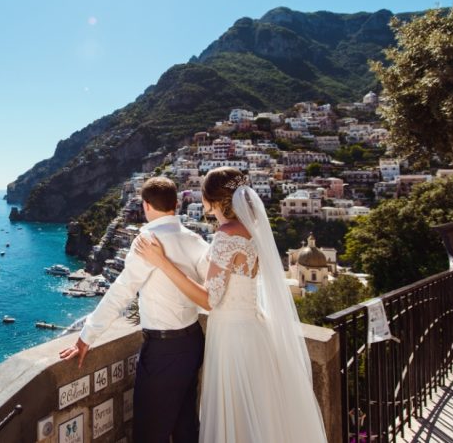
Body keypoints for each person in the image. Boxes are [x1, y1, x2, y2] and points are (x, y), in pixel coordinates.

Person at [133, 167, 326, 443]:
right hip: (255, 330)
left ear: (212, 199)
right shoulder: (252, 230)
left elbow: (209, 300)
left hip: (232, 336)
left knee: (235, 415)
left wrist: (161, 262)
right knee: (257, 415)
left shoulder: (227, 234)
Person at [59, 176, 210, 443]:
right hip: (194, 341)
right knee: (186, 424)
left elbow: (121, 293)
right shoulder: (195, 239)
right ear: (176, 204)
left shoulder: (147, 241)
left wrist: (86, 337)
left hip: (164, 350)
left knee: (149, 432)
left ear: (146, 205)